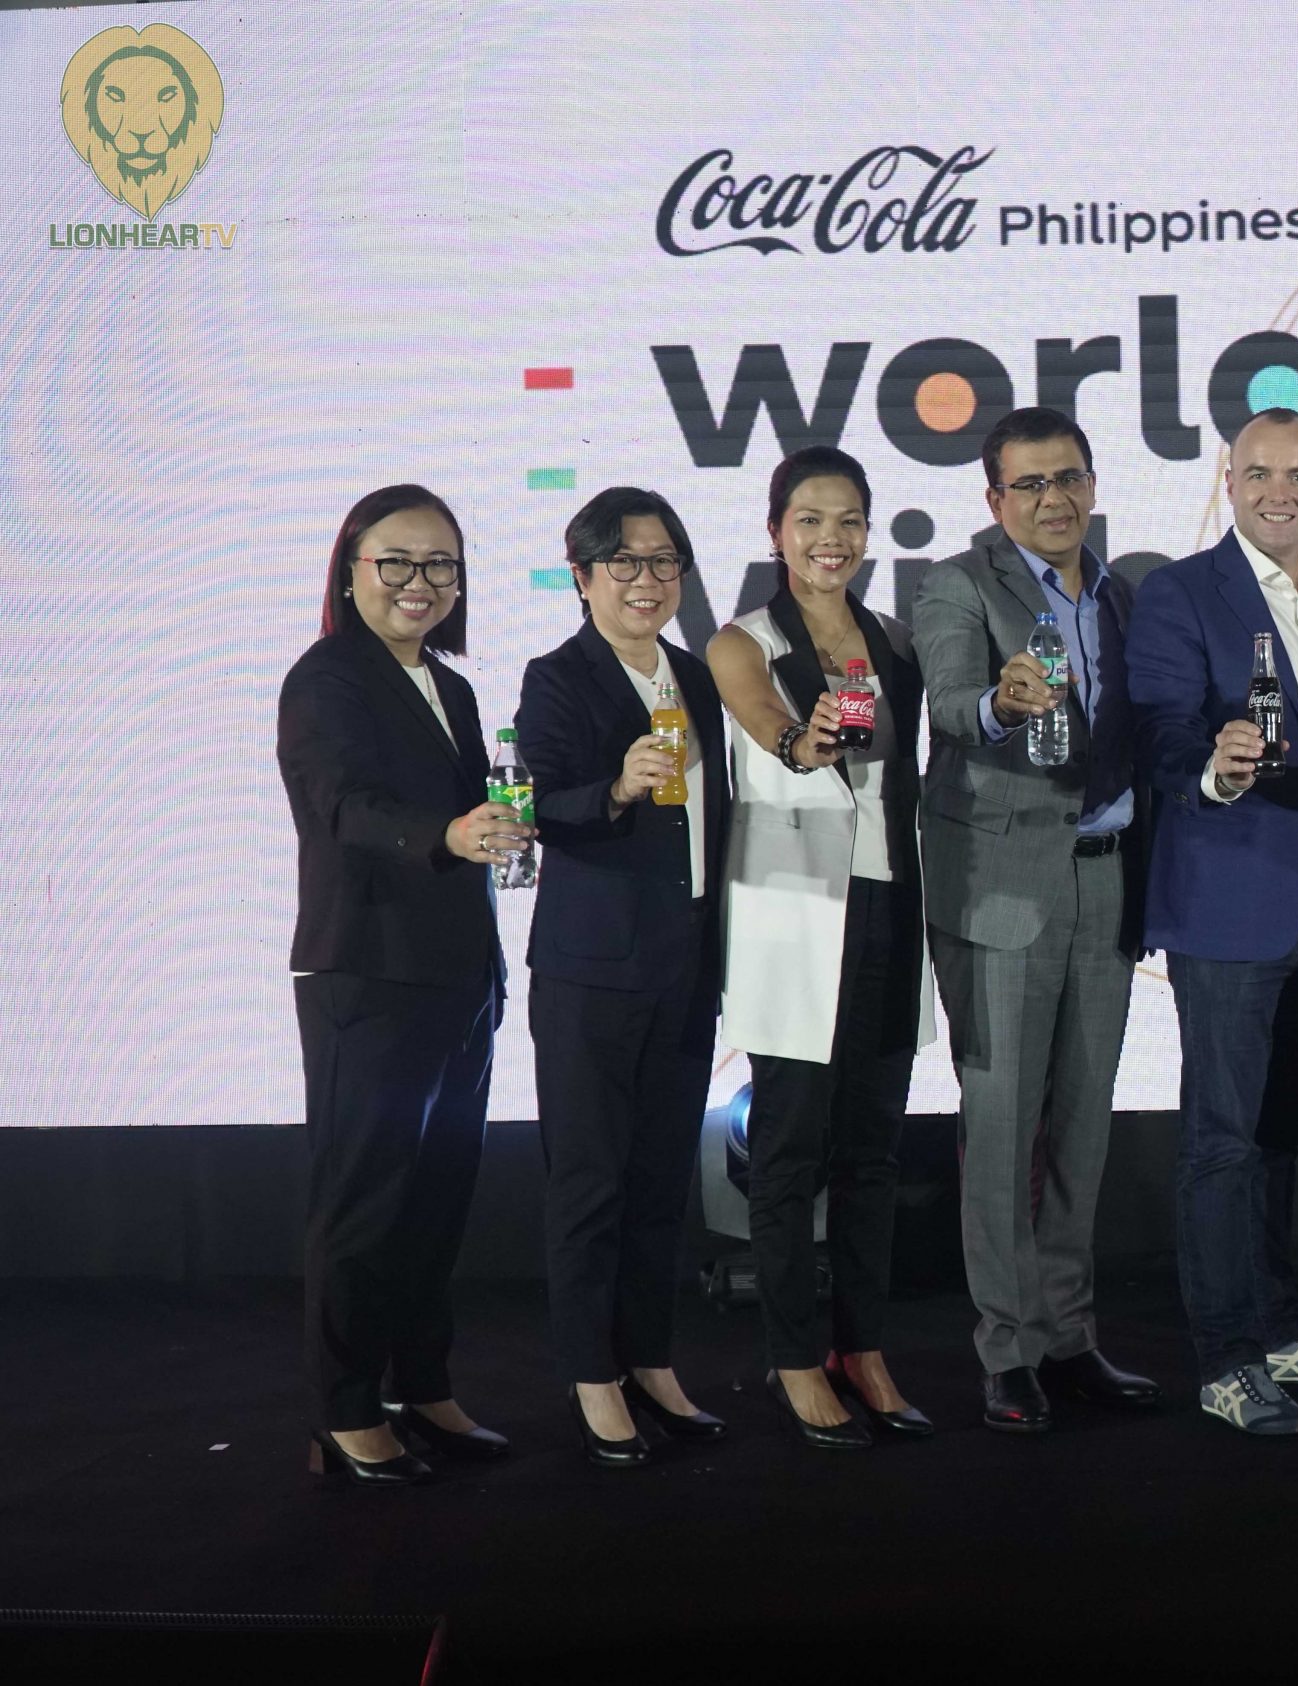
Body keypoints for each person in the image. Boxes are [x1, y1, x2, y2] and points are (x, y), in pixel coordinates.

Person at [1125, 406, 1298, 1436]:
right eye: (1260, 473)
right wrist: (1215, 763)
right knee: (1221, 1139)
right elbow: (1157, 727)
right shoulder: (1182, 591)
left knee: (1281, 1130)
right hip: (1230, 898)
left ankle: (1277, 1332)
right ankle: (1225, 1360)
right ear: (1228, 482)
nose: (1280, 492)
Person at [912, 407, 1160, 1434]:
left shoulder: (1122, 593)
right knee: (1003, 1121)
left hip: (1107, 877)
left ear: (1092, 485)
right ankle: (1007, 1350)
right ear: (995, 498)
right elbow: (948, 700)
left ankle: (1067, 1335)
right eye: (1029, 484)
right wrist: (1002, 706)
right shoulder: (957, 585)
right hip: (1003, 886)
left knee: (1083, 1126)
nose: (1053, 499)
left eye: (1068, 479)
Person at [279, 484, 521, 1485]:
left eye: (440, 565)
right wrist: (448, 833)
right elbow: (342, 807)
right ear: (351, 569)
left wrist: (496, 827)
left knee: (435, 1202)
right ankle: (343, 1412)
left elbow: (470, 820)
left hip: (459, 976)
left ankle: (422, 1386)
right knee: (364, 1202)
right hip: (370, 973)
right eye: (397, 561)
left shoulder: (450, 688)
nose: (419, 582)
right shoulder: (327, 677)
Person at [706, 446, 933, 1451]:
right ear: (776, 532)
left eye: (847, 521)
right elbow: (767, 724)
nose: (829, 539)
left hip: (889, 901)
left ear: (869, 533)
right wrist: (805, 741)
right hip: (795, 914)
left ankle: (863, 1349)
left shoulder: (896, 640)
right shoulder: (740, 641)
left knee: (873, 1150)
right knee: (789, 1148)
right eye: (809, 520)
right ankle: (795, 1357)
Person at [515, 487, 732, 1468]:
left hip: (686, 964)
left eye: (664, 562)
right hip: (593, 971)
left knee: (659, 1180)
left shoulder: (697, 676)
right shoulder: (557, 677)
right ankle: (590, 1375)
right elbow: (541, 801)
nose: (648, 581)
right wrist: (613, 787)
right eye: (626, 563)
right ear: (583, 577)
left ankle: (650, 1361)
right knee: (589, 1181)